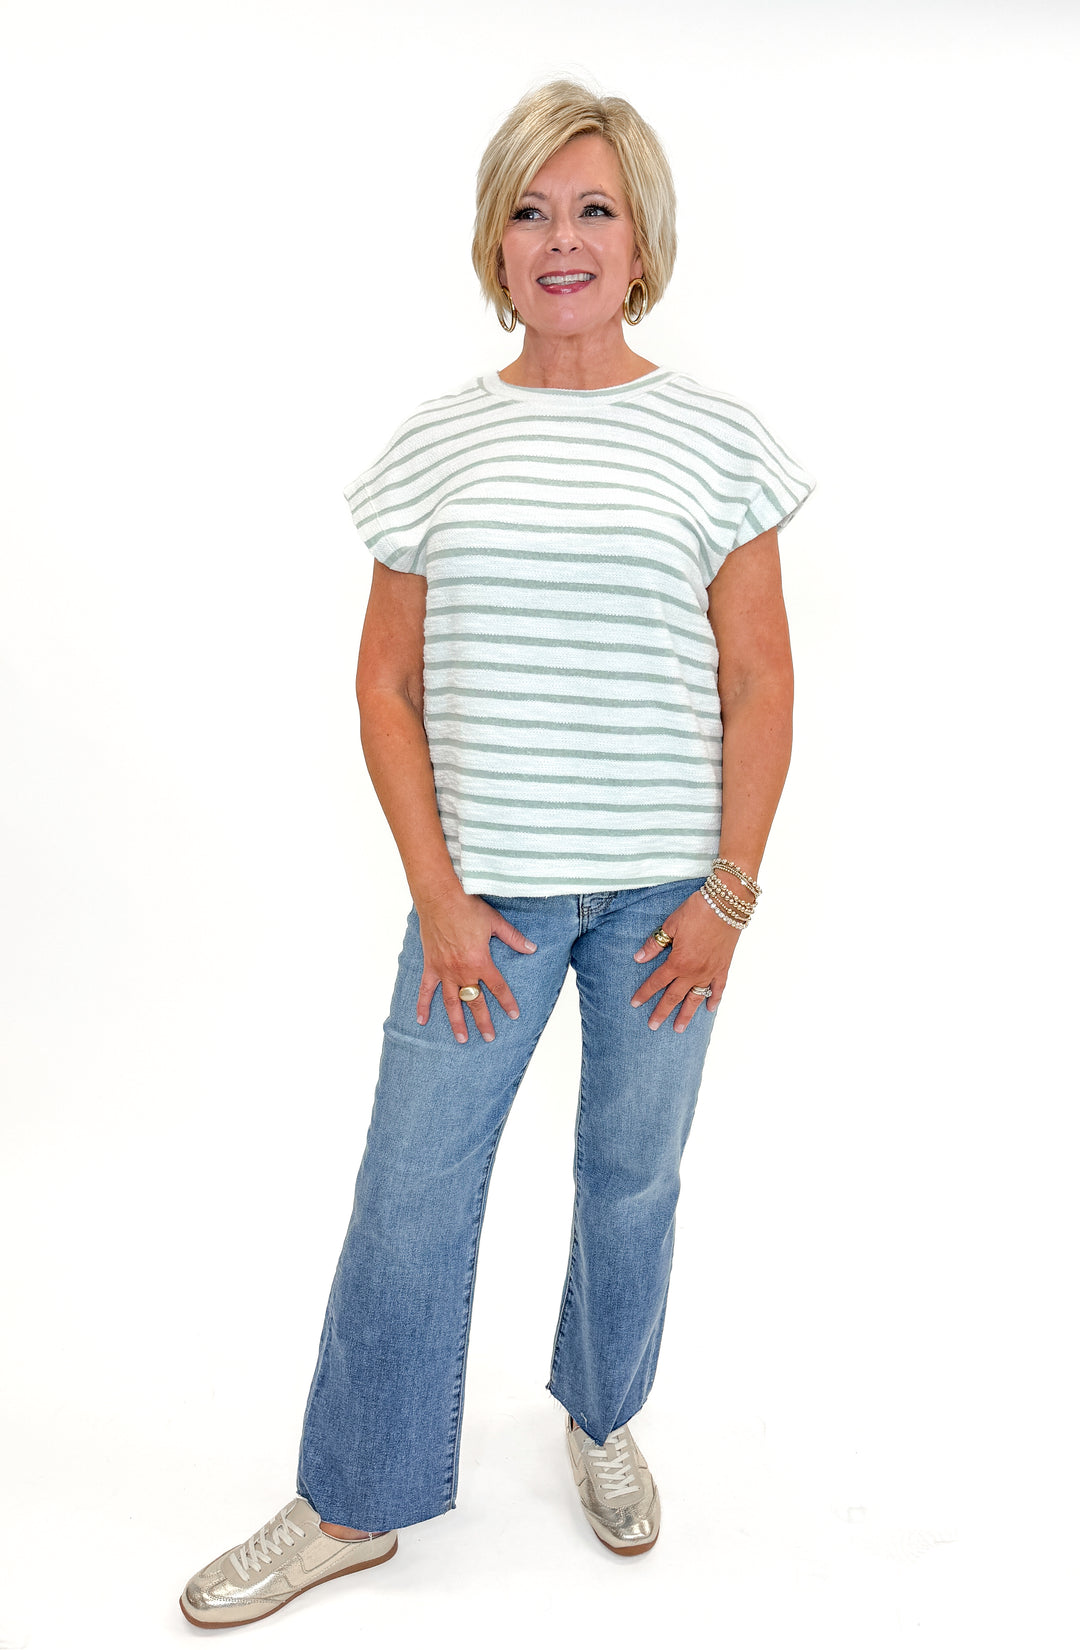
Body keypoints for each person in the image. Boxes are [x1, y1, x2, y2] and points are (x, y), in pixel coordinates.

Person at [180, 78, 815, 1629]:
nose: (563, 237)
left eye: (594, 208)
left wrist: (731, 891)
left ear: (643, 236)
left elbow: (761, 680)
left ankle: (601, 1415)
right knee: (410, 1190)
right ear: (496, 239)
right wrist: (441, 900)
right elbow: (383, 686)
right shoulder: (438, 445)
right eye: (532, 209)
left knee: (629, 1175)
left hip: (672, 900)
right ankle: (351, 1499)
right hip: (490, 907)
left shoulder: (719, 441)